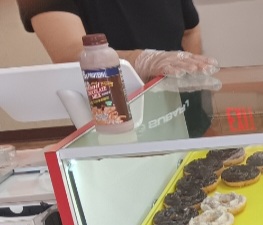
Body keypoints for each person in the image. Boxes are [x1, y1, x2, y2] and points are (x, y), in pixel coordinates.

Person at [17, 0, 219, 135]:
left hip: (184, 114)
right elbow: (69, 52)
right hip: (116, 126)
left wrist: (196, 87)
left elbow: (190, 31)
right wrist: (143, 61)